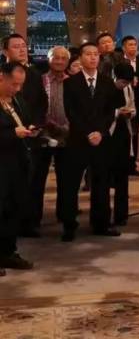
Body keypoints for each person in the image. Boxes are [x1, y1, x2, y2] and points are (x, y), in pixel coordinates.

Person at [61, 42, 125, 241]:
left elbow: (110, 111)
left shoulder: (107, 82)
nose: (93, 57)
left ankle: (101, 223)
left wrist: (100, 132)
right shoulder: (71, 83)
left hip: (101, 140)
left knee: (101, 183)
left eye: (96, 54)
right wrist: (88, 133)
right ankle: (69, 225)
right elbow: (71, 112)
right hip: (78, 139)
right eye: (88, 54)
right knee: (71, 184)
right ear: (80, 58)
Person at [3, 34, 47, 237]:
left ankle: (30, 222)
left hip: (30, 136)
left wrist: (35, 124)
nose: (21, 49)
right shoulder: (3, 75)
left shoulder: (34, 74)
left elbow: (41, 103)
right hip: (7, 140)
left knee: (33, 183)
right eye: (16, 46)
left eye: (23, 45)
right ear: (5, 51)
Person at [0, 62, 35, 274]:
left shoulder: (17, 100)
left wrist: (30, 129)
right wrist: (13, 133)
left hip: (17, 162)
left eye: (21, 84)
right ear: (1, 77)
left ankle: (7, 252)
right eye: (14, 84)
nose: (17, 88)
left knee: (13, 209)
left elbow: (24, 121)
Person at [33, 46, 70, 227]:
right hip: (44, 136)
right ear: (48, 59)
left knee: (66, 180)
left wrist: (67, 127)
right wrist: (49, 124)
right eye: (56, 57)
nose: (60, 61)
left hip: (68, 136)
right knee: (38, 180)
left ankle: (65, 217)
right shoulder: (40, 81)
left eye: (63, 58)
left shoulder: (72, 82)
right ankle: (33, 220)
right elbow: (35, 107)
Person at [109, 63, 136, 227]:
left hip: (123, 133)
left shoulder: (128, 88)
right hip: (108, 135)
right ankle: (104, 215)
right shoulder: (106, 88)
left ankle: (121, 214)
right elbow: (100, 110)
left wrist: (130, 113)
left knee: (122, 176)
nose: (124, 85)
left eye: (127, 82)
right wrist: (117, 112)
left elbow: (133, 107)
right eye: (122, 82)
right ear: (115, 77)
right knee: (106, 177)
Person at [120, 36, 139, 177]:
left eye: (134, 44)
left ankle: (132, 164)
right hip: (122, 99)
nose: (133, 47)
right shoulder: (119, 61)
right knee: (122, 131)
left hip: (138, 100)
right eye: (130, 44)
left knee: (134, 132)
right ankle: (121, 163)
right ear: (124, 47)